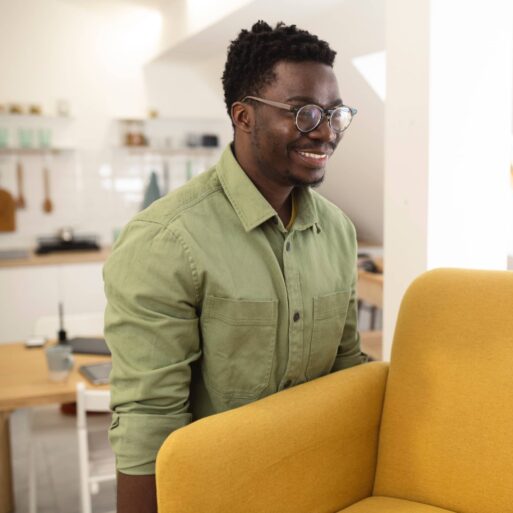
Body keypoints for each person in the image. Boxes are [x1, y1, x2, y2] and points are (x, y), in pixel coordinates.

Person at [103, 21, 368, 512]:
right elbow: (148, 418)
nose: (327, 131)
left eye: (335, 113)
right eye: (305, 113)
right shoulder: (166, 239)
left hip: (322, 485)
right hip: (218, 496)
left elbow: (346, 370)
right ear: (244, 116)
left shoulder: (338, 231)